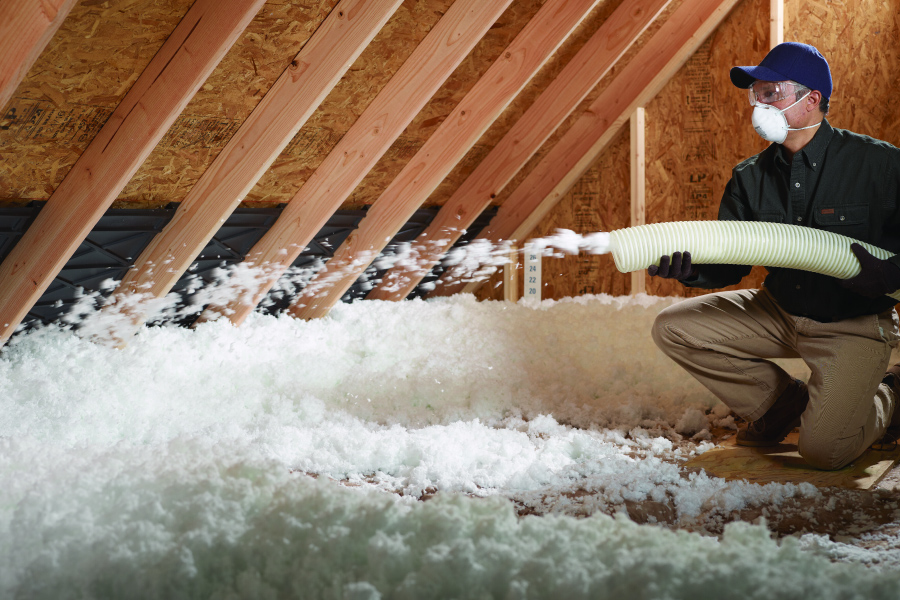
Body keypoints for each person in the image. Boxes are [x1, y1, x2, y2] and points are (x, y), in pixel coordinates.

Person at [649, 42, 900, 470]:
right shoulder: (750, 177)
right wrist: (693, 270)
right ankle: (781, 404)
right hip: (779, 311)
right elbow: (733, 259)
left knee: (825, 452)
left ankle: (891, 394)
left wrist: (892, 272)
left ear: (812, 99)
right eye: (756, 94)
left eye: (771, 93)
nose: (758, 104)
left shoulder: (879, 165)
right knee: (673, 328)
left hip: (852, 324)